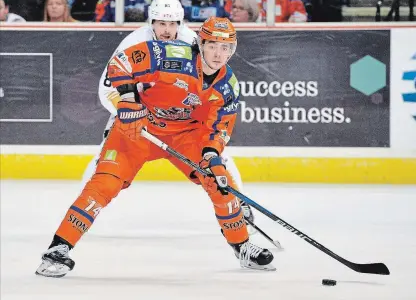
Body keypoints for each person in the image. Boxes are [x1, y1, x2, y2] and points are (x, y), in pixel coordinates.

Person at [35, 16, 275, 278]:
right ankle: (58, 248)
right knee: (104, 184)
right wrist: (127, 99)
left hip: (186, 136)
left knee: (221, 183)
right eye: (213, 45)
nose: (219, 54)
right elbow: (121, 62)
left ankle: (242, 247)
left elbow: (218, 128)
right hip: (140, 129)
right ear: (201, 43)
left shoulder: (228, 86)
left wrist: (212, 157)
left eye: (226, 48)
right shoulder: (170, 54)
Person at [82, 0, 254, 232]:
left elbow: (206, 81)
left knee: (215, 155)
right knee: (107, 153)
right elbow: (107, 87)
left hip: (181, 110)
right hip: (138, 103)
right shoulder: (134, 42)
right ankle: (86, 207)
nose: (167, 29)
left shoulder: (192, 40)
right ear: (151, 22)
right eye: (161, 23)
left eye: (173, 24)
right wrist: (132, 109)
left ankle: (240, 205)